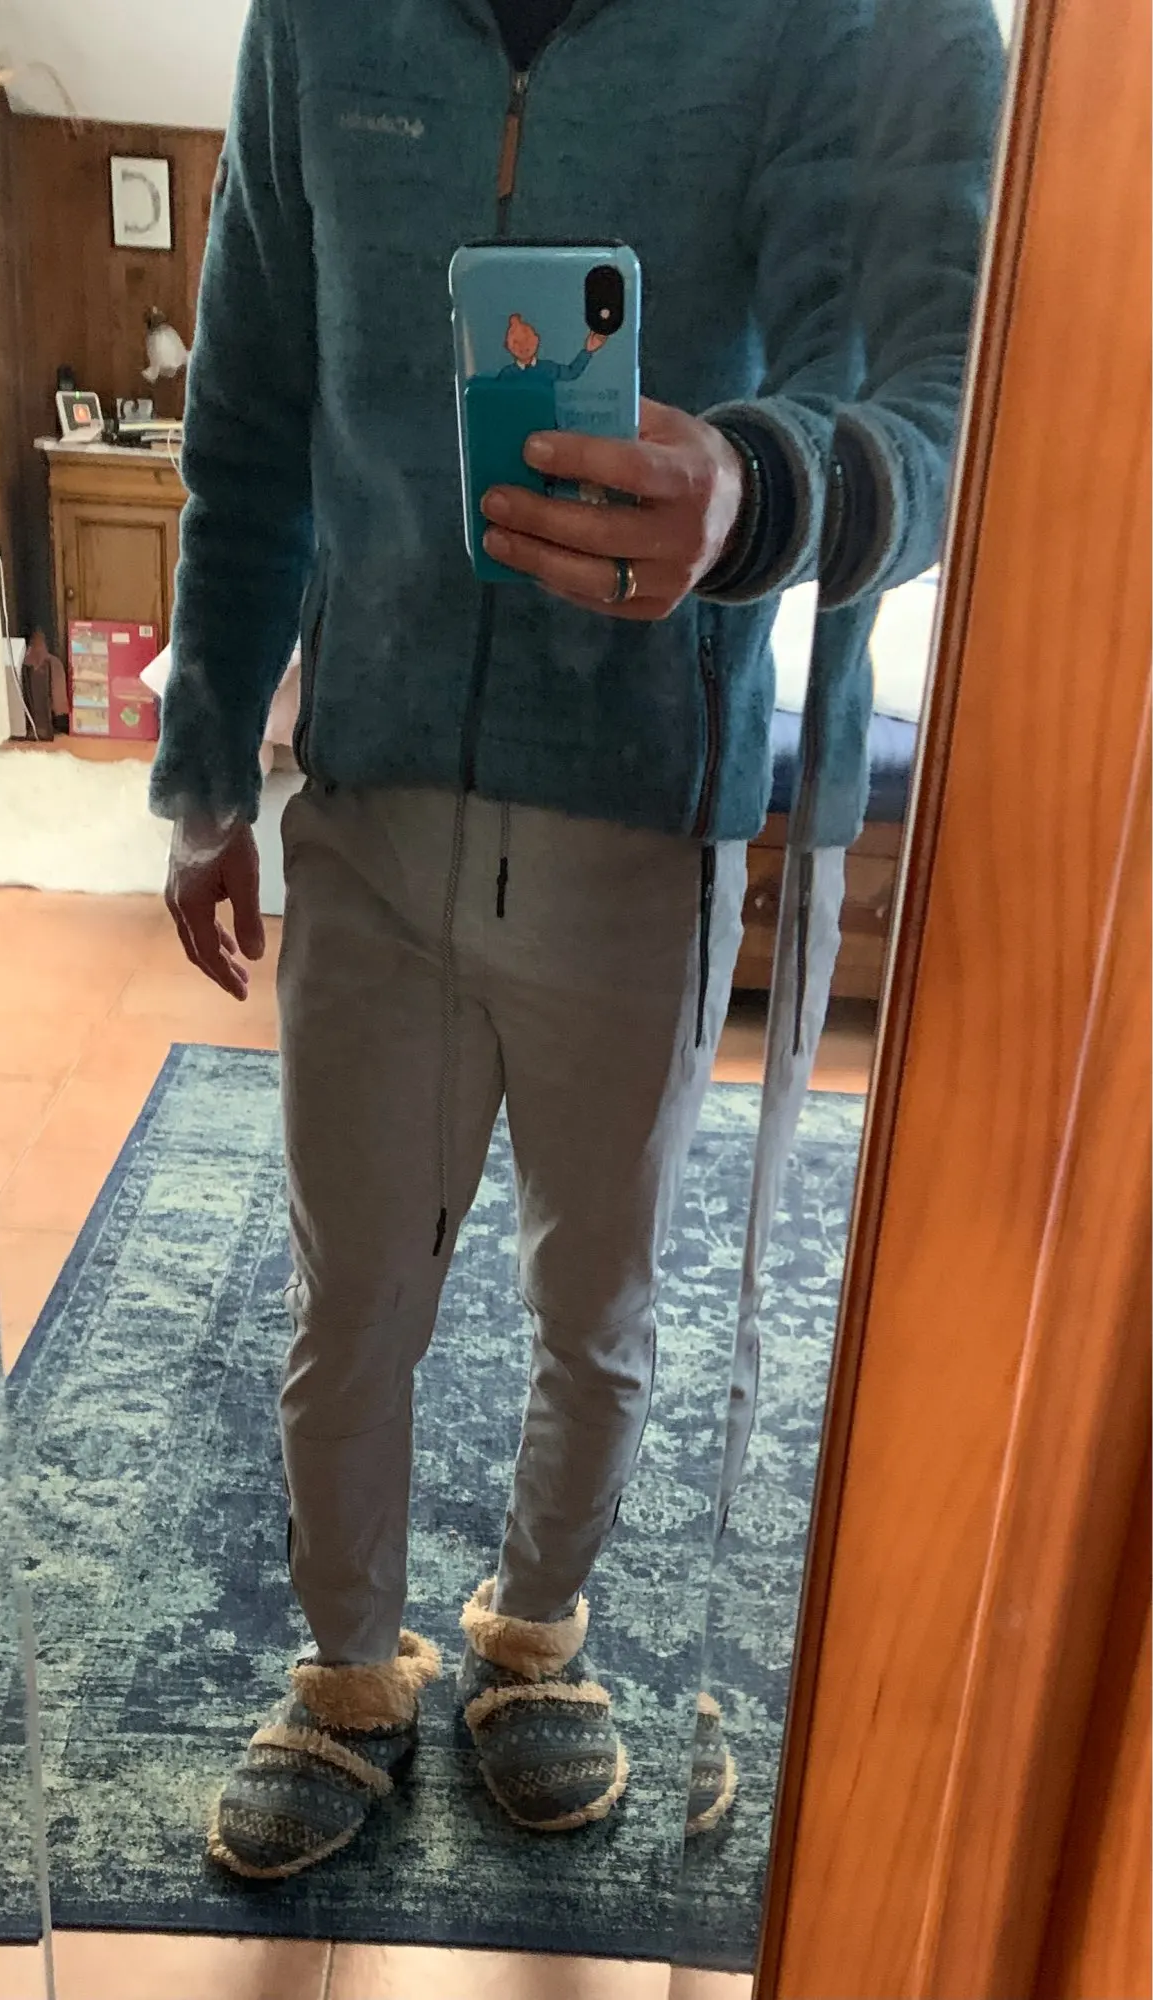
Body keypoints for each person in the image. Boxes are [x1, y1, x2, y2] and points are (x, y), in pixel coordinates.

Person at [153, 0, 987, 1881]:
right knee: (349, 1300)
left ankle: (534, 1639)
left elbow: (922, 395)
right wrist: (206, 776)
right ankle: (348, 1671)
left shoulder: (807, 27)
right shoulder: (316, 23)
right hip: (366, 805)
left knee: (595, 1305)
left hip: (645, 818)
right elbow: (248, 413)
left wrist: (751, 494)